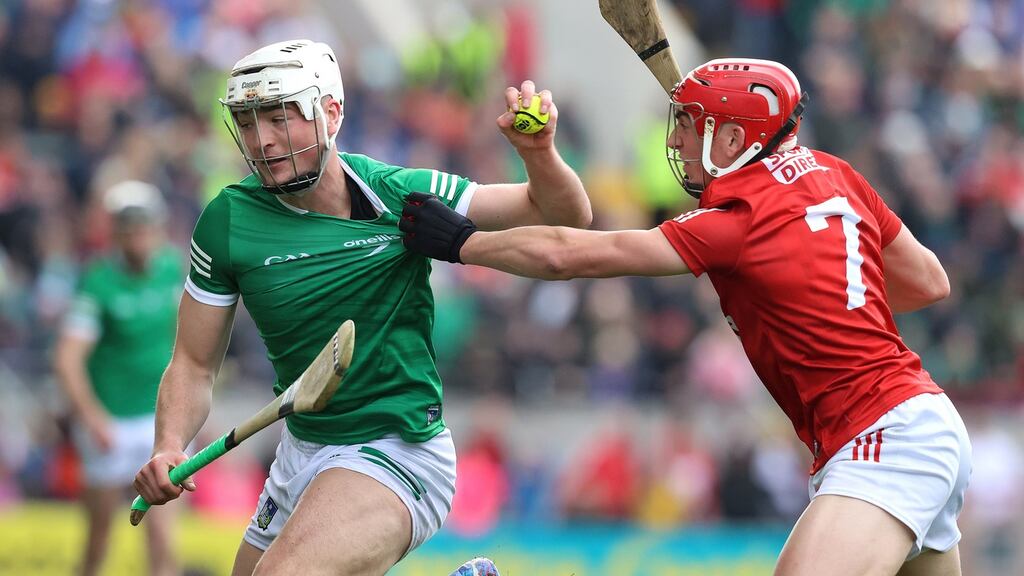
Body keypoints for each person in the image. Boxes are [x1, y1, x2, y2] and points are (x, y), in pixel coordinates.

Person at [401, 58, 972, 576]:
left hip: (882, 436)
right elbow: (929, 282)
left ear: (733, 138)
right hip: (919, 420)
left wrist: (463, 243)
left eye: (690, 125)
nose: (675, 139)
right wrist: (822, 293)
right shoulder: (836, 173)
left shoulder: (740, 218)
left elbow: (568, 255)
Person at [132, 39, 590, 576]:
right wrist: (168, 444)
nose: (262, 140)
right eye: (248, 122)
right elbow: (193, 362)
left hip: (398, 448)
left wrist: (539, 154)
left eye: (279, 118)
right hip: (300, 451)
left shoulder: (399, 195)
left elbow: (565, 213)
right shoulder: (227, 221)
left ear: (330, 113)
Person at [54, 180, 182, 576]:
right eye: (129, 227)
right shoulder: (98, 281)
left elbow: (191, 344)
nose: (139, 235)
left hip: (160, 421)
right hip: (110, 422)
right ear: (117, 233)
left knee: (163, 541)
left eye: (145, 225)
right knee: (99, 541)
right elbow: (68, 359)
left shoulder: (172, 269)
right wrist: (92, 418)